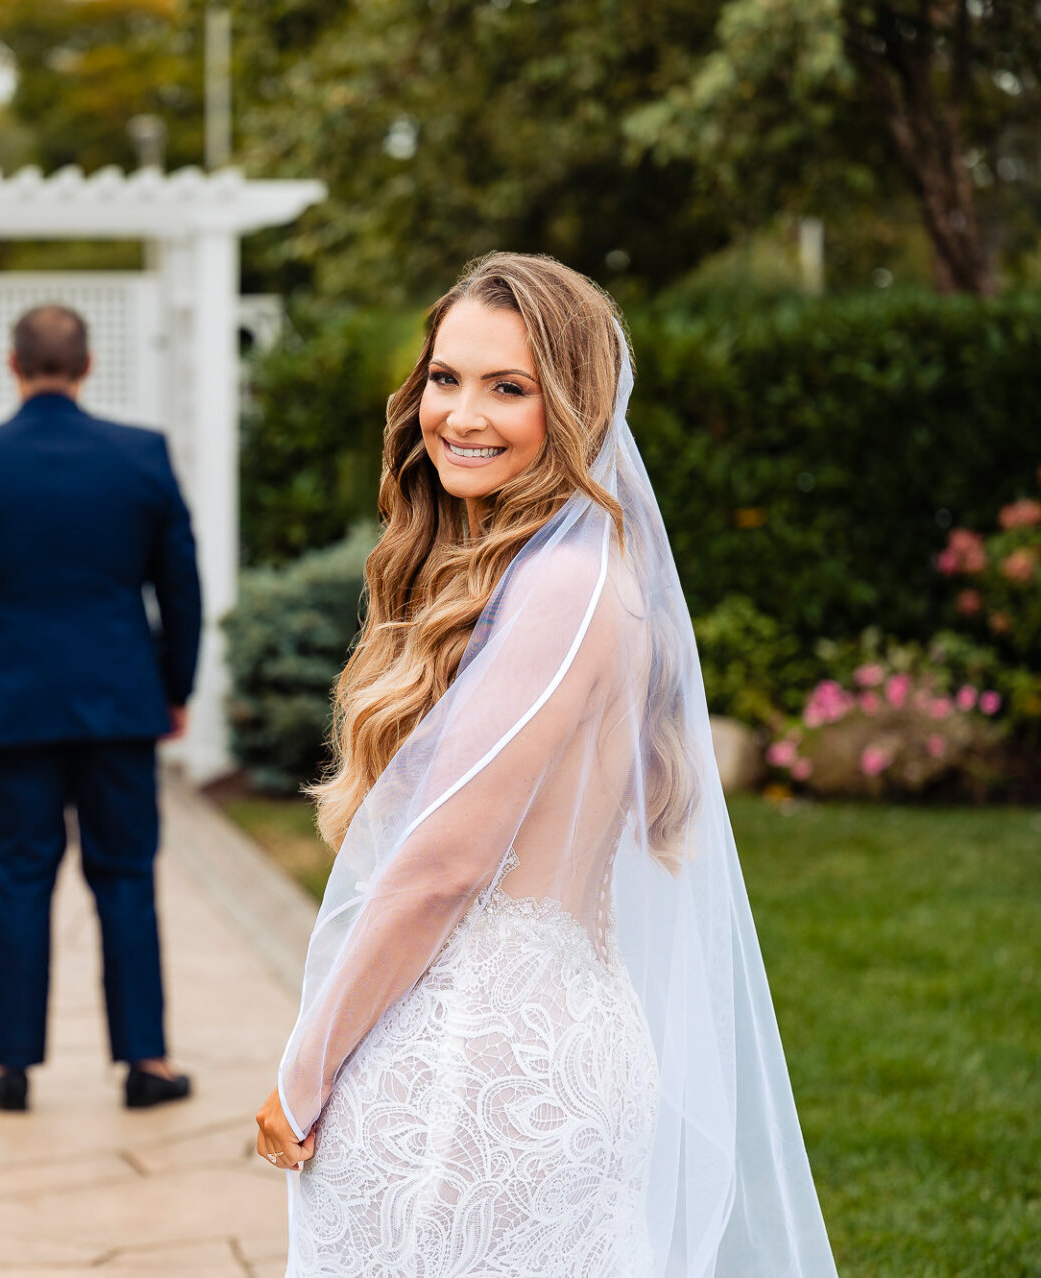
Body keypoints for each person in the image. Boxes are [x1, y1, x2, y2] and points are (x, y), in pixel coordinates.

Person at [253, 254, 839, 1277]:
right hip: (539, 1041)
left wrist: (304, 1072)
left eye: (508, 388)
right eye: (446, 378)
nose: (462, 415)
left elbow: (446, 867)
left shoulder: (564, 585)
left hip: (476, 1075)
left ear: (573, 407)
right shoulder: (567, 571)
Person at [0, 303, 202, 1114]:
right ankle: (146, 1061)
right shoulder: (141, 455)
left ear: (12, 364)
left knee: (21, 878)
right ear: (87, 364)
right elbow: (180, 583)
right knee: (126, 877)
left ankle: (12, 1068)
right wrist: (176, 687)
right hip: (121, 700)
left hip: (11, 704)